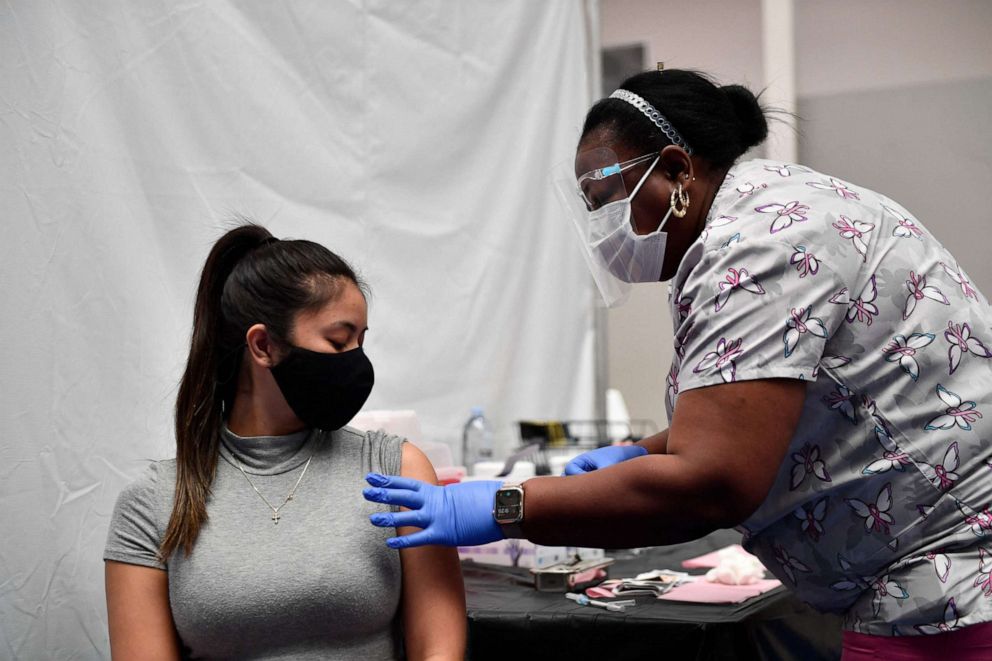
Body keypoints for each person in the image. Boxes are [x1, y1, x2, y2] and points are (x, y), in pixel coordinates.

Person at [363, 69, 992, 658]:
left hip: (950, 587)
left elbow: (712, 484)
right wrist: (647, 451)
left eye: (606, 199)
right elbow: (776, 398)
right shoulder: (773, 209)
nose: (602, 230)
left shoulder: (756, 245)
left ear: (674, 170)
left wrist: (503, 504)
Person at [105, 224, 465, 660]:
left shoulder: (397, 471)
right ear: (263, 346)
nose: (357, 361)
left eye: (361, 340)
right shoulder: (154, 502)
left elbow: (440, 649)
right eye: (338, 340)